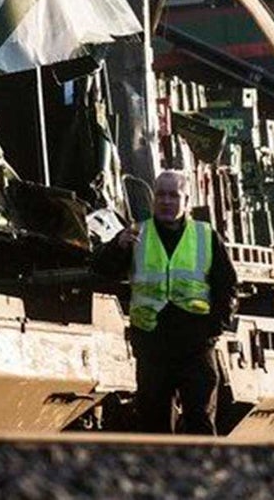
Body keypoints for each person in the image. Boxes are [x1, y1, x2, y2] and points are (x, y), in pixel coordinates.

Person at [92, 169, 237, 434]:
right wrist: (117, 247)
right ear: (152, 199)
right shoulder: (137, 234)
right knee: (154, 420)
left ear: (186, 201)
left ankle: (201, 470)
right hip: (153, 344)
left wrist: (214, 329)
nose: (167, 201)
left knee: (200, 418)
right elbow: (103, 271)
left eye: (174, 195)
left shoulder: (206, 236)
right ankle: (160, 472)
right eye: (161, 195)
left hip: (195, 344)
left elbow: (226, 286)